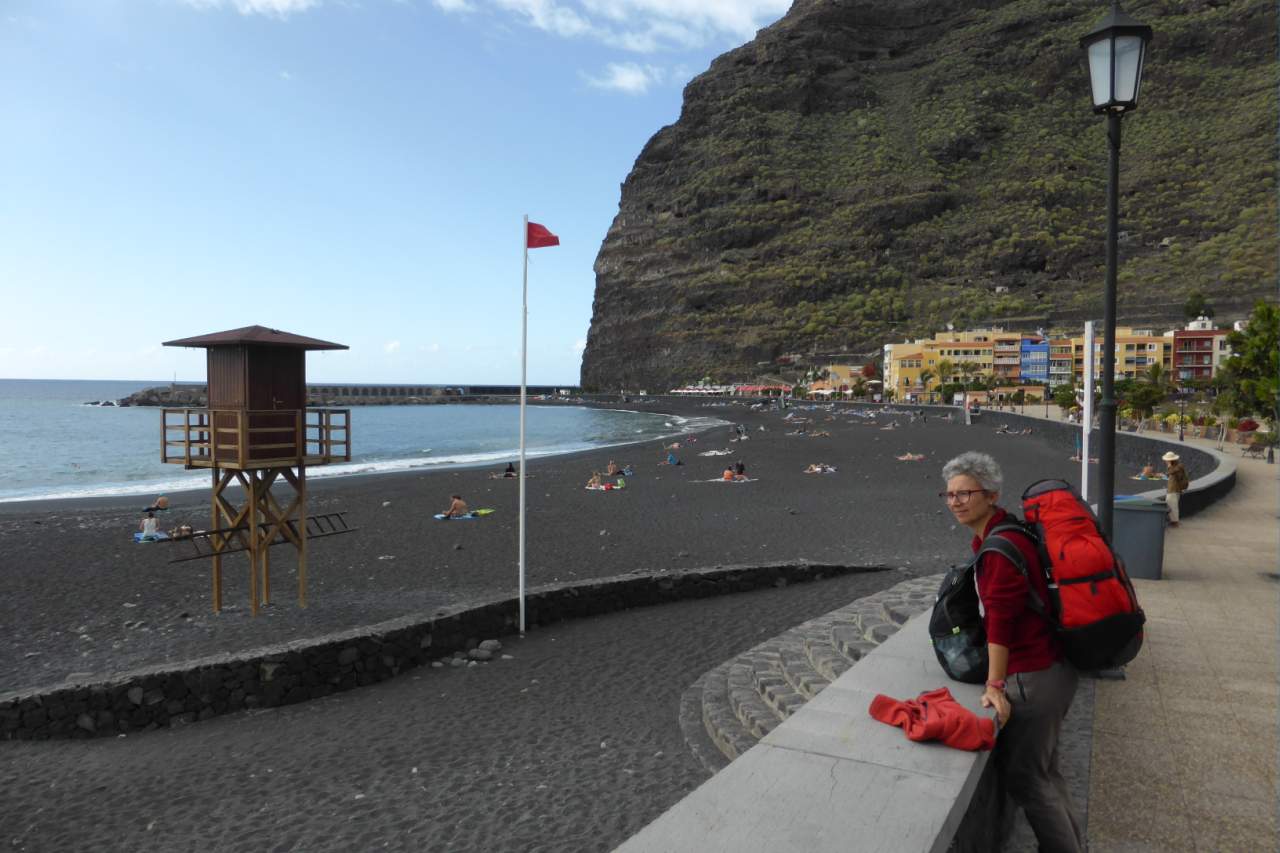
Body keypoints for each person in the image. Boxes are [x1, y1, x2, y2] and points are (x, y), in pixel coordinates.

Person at [940, 451, 1084, 852]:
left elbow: (1001, 623)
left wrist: (996, 685)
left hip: (1033, 675)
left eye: (965, 494)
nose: (955, 502)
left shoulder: (999, 549)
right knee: (1047, 772)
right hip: (1055, 666)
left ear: (991, 495)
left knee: (1028, 779)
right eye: (949, 495)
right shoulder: (1008, 533)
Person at [1163, 451, 1189, 526]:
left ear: (1170, 460)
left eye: (1167, 460)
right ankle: (1174, 521)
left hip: (1173, 489)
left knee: (1172, 505)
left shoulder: (1175, 468)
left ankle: (1174, 522)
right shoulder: (1177, 467)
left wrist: (1169, 467)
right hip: (1175, 489)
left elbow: (1176, 476)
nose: (1165, 462)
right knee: (1172, 505)